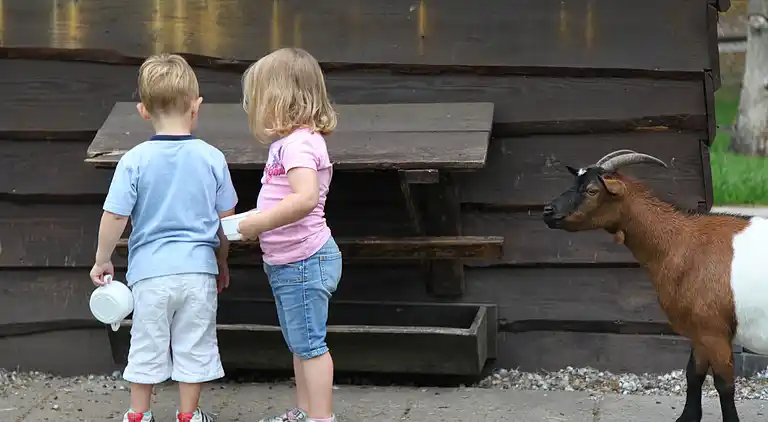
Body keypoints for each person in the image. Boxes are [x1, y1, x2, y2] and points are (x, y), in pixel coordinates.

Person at [89, 53, 238, 422]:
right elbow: (227, 221)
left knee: (147, 345)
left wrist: (102, 258)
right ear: (196, 106)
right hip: (198, 273)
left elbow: (115, 215)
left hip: (149, 276)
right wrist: (221, 260)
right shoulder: (212, 158)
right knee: (194, 345)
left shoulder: (134, 160)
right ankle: (188, 416)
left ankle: (138, 414)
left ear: (142, 111)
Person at [237, 47, 342, 422]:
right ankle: (304, 411)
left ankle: (321, 418)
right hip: (289, 261)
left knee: (311, 345)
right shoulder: (290, 142)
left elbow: (305, 198)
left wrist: (258, 223)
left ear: (281, 98)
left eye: (260, 98)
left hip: (304, 259)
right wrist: (254, 219)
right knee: (300, 343)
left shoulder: (298, 143)